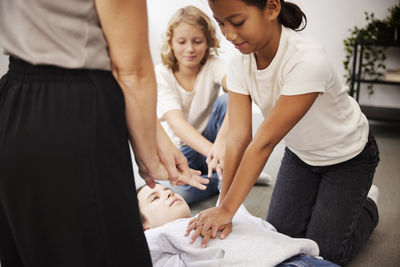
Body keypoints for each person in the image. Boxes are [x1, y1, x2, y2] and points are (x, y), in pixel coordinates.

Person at [0, 0, 208, 266]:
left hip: (12, 103)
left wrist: (159, 138)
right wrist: (147, 159)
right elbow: (131, 71)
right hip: (74, 110)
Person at [186, 0, 380, 266]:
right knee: (278, 239)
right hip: (301, 154)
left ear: (272, 8)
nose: (229, 34)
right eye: (221, 23)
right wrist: (224, 204)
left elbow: (264, 142)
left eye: (238, 22)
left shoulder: (308, 59)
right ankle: (332, 204)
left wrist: (227, 210)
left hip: (348, 157)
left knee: (326, 254)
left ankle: (366, 204)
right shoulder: (239, 61)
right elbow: (239, 137)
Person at [137, 183, 340, 267]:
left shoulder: (219, 211)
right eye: (155, 198)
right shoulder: (157, 236)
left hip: (300, 257)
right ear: (145, 225)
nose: (168, 193)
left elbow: (265, 228)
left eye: (167, 190)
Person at [155, 6, 230, 204]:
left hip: (210, 138)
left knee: (231, 99)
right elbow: (177, 125)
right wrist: (215, 153)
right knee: (181, 192)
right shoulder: (161, 75)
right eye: (182, 42)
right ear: (171, 42)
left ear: (208, 42)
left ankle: (227, 170)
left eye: (197, 41)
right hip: (182, 150)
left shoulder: (213, 64)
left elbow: (231, 83)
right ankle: (230, 174)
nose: (190, 49)